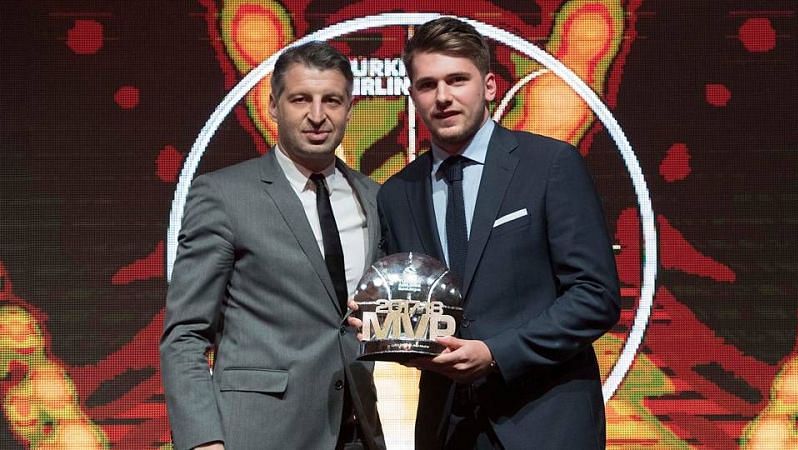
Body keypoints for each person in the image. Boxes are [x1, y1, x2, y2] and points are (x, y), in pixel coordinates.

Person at [375, 18, 621, 449]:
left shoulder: (548, 165)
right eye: (427, 84)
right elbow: (416, 316)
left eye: (457, 80)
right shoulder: (398, 193)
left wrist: (495, 354)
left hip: (546, 424)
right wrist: (385, 333)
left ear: (489, 86)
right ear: (413, 96)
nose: (443, 97)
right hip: (447, 430)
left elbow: (595, 296)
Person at [160, 41, 385, 450]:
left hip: (356, 432)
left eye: (331, 100)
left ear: (349, 110)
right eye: (300, 99)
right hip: (258, 434)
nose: (317, 115)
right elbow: (185, 335)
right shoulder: (224, 196)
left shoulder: (371, 196)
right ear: (274, 107)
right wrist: (202, 441)